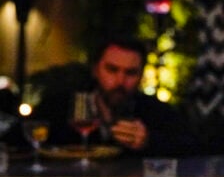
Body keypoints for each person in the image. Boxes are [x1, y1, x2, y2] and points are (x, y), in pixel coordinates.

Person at [32, 38, 198, 156]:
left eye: (130, 73)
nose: (120, 81)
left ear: (141, 76)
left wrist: (149, 141)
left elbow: (194, 146)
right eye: (112, 70)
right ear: (96, 70)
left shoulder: (155, 111)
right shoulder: (60, 106)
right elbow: (21, 140)